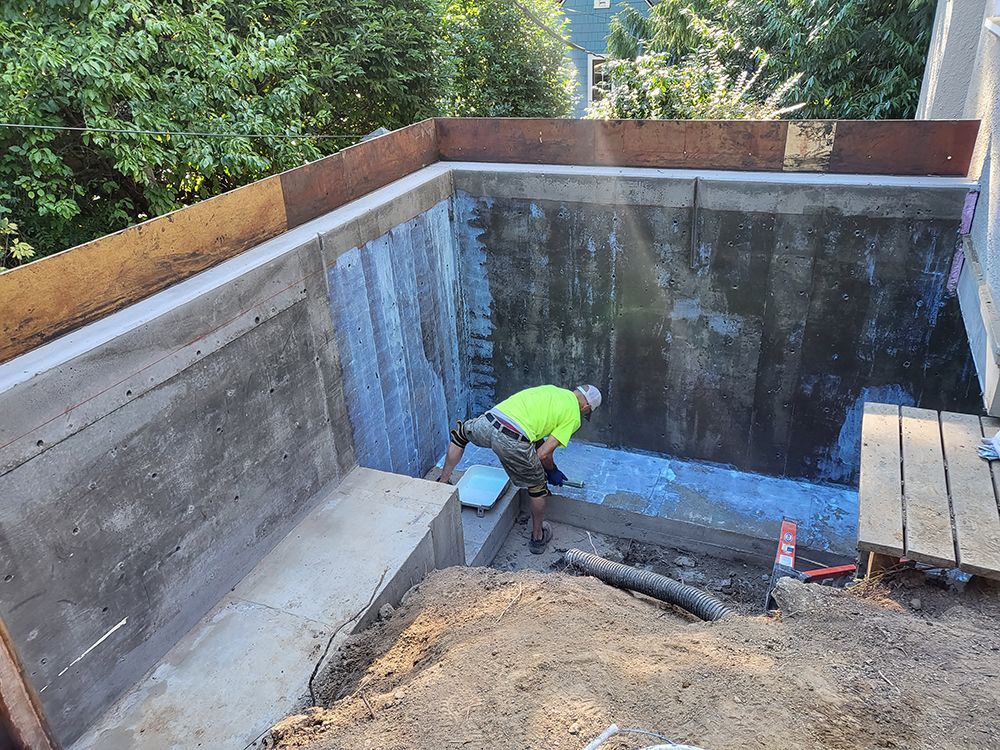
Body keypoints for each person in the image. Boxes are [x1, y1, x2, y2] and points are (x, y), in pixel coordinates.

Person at [439, 384, 602, 554]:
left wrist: (549, 467)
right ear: (586, 407)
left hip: (490, 422)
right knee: (538, 486)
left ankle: (442, 483)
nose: (584, 414)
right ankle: (538, 538)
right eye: (586, 412)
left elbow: (536, 430)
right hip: (513, 441)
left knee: (461, 434)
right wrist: (551, 471)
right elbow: (543, 454)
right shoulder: (573, 416)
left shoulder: (553, 390)